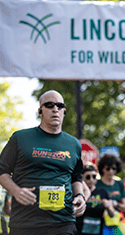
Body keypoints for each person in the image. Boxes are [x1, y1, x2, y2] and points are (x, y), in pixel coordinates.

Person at [0, 90, 85, 235]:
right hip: (26, 223)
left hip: (63, 223)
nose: (55, 109)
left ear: (64, 111)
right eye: (49, 105)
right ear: (40, 111)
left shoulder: (74, 144)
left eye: (59, 106)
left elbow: (76, 177)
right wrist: (16, 191)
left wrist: (80, 196)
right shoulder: (21, 138)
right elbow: (2, 170)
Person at [76, 164, 114, 235]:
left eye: (94, 176)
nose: (91, 180)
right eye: (88, 177)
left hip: (97, 231)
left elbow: (112, 214)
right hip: (79, 230)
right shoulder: (78, 193)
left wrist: (108, 207)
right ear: (82, 178)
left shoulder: (102, 192)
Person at [95, 154, 125, 234]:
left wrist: (116, 204)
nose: (111, 171)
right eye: (108, 168)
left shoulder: (119, 184)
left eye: (114, 168)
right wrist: (104, 204)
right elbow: (92, 204)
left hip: (117, 223)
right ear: (102, 169)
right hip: (100, 224)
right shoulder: (96, 184)